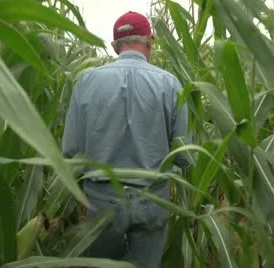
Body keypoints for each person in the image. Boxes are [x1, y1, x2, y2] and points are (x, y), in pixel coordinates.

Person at [61, 11, 189, 268]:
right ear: (149, 41)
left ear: (114, 46)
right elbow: (185, 155)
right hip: (153, 198)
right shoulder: (170, 84)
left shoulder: (86, 82)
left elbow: (70, 150)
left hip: (102, 201)